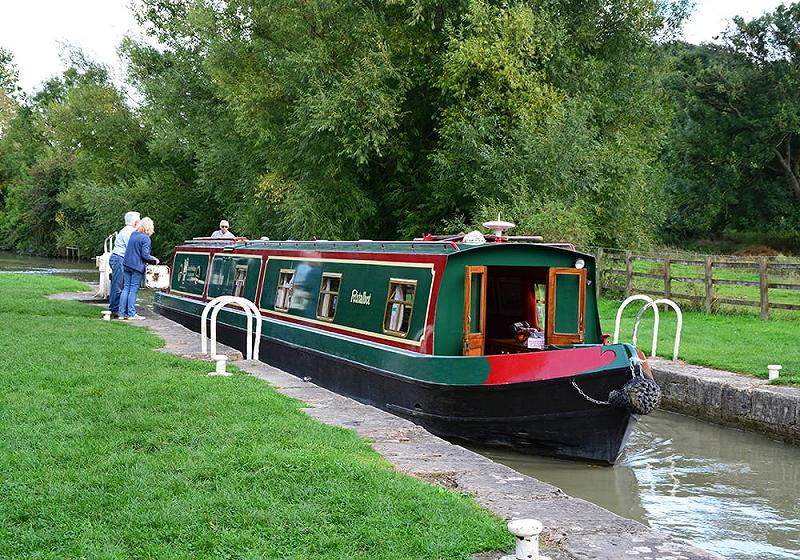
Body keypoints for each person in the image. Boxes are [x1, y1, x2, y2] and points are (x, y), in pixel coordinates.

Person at [119, 217, 159, 320]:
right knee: (133, 290)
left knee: (126, 288)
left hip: (127, 264)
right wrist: (154, 260)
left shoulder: (133, 234)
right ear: (149, 228)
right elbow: (145, 255)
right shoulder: (146, 239)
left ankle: (121, 313)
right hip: (137, 267)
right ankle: (131, 314)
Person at [108, 211, 140, 319]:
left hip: (120, 259)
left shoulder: (127, 231)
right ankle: (115, 309)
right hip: (119, 259)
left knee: (121, 286)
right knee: (118, 285)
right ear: (135, 222)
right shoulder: (129, 232)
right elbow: (131, 247)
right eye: (139, 220)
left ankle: (119, 309)